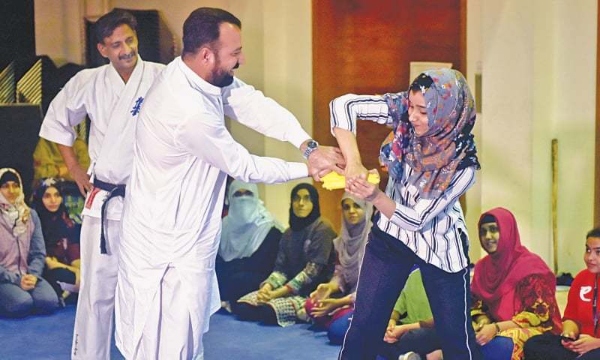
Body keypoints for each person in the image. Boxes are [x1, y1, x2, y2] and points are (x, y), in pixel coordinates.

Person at [114, 8, 344, 360]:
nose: (242, 60)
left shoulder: (197, 75)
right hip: (163, 249)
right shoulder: (185, 109)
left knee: (188, 346)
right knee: (163, 350)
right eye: (235, 53)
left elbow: (251, 103)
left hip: (187, 239)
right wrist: (307, 168)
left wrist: (307, 145)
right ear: (207, 54)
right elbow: (244, 165)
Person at [38, 9, 166, 359]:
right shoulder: (89, 82)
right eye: (116, 44)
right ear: (102, 49)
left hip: (147, 202)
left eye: (130, 40)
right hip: (104, 198)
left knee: (147, 292)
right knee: (96, 293)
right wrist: (76, 170)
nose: (126, 49)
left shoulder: (162, 77)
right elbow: (57, 122)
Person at [329, 68, 482, 360]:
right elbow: (342, 105)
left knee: (457, 340)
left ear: (445, 113)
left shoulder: (462, 166)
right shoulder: (405, 112)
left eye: (423, 111)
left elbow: (416, 219)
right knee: (364, 326)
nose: (412, 116)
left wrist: (373, 195)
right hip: (391, 238)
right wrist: (353, 163)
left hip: (439, 246)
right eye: (411, 106)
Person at [237, 183, 337, 326]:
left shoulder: (322, 228)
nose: (301, 204)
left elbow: (312, 273)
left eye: (307, 199)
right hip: (288, 290)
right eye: (297, 198)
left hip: (312, 292)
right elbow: (281, 269)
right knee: (243, 306)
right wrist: (267, 288)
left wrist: (276, 294)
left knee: (267, 311)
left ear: (314, 203)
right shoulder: (288, 233)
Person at [305, 192, 372, 344]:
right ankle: (342, 317)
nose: (351, 211)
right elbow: (340, 273)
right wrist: (330, 287)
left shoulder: (376, 241)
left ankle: (340, 318)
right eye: (346, 207)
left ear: (368, 208)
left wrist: (339, 303)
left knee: (336, 332)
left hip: (369, 300)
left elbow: (372, 286)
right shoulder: (342, 241)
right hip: (349, 297)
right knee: (312, 303)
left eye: (357, 206)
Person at [524, 227, 600, 360]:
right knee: (534, 344)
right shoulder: (582, 278)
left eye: (598, 252)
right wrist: (569, 334)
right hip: (580, 345)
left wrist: (596, 344)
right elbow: (571, 318)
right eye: (588, 250)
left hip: (596, 349)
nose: (590, 257)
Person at [216, 180, 284, 310]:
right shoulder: (223, 226)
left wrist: (232, 267)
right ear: (229, 198)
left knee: (239, 279)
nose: (243, 199)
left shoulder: (268, 226)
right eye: (238, 194)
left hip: (259, 278)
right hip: (232, 274)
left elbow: (263, 264)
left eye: (248, 193)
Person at [0, 168, 59, 317]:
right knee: (22, 303)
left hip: (27, 275)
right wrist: (16, 280)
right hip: (4, 278)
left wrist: (33, 275)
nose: (11, 190)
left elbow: (38, 253)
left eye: (15, 185)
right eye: (5, 186)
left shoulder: (30, 214)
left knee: (50, 302)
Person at [31, 178, 81, 302]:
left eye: (57, 195)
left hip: (65, 268)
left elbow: (74, 253)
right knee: (59, 275)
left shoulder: (65, 220)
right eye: (47, 196)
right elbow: (47, 262)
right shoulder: (33, 222)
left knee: (90, 277)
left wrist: (80, 270)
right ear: (39, 198)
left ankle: (70, 291)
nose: (53, 201)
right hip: (43, 271)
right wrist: (75, 271)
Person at [380, 266, 437, 360]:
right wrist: (391, 324)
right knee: (376, 331)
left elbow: (441, 320)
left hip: (435, 331)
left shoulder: (449, 278)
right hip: (406, 330)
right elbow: (396, 308)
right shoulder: (412, 275)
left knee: (414, 337)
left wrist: (403, 329)